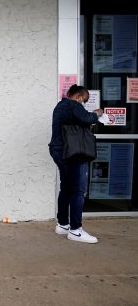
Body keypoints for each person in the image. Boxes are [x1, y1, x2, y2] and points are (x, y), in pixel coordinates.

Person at [48, 84, 103, 244]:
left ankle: (63, 224)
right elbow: (87, 119)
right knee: (78, 190)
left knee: (66, 187)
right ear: (78, 96)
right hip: (73, 152)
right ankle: (76, 230)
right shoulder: (73, 105)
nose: (83, 103)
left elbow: (78, 122)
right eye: (83, 100)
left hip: (58, 150)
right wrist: (97, 113)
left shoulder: (60, 106)